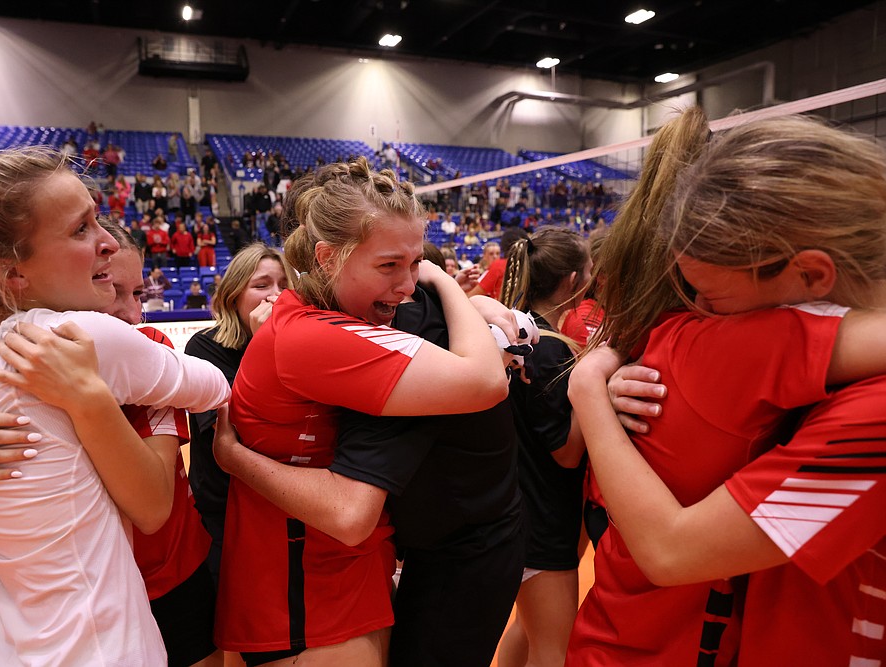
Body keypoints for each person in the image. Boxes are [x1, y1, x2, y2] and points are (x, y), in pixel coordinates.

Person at [564, 110, 886, 666]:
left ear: (811, 275)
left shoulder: (866, 410)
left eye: (711, 299)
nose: (700, 314)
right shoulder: (709, 345)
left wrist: (588, 386)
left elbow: (671, 549)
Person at [0, 147, 231, 666]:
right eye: (81, 229)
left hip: (8, 644)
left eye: (135, 290)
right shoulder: (84, 337)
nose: (104, 241)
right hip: (103, 642)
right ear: (12, 274)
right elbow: (214, 386)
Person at [215, 158, 509, 666]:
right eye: (389, 265)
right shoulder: (314, 336)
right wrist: (449, 287)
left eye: (417, 264)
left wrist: (465, 302)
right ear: (328, 258)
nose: (409, 284)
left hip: (328, 578)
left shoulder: (310, 318)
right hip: (306, 591)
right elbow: (485, 381)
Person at [495, 228, 590, 667]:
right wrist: (597, 396)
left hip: (513, 509)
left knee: (525, 630)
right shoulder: (549, 350)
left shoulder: (510, 334)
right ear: (573, 280)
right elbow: (566, 452)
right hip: (544, 518)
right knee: (554, 651)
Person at [184, 243, 295, 587]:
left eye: (284, 285)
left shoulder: (302, 346)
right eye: (261, 286)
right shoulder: (203, 347)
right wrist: (265, 345)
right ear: (233, 296)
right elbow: (239, 432)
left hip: (285, 506)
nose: (275, 296)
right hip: (225, 514)